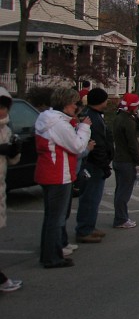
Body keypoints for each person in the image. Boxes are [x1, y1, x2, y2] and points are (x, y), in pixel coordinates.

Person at [35, 86, 93, 269]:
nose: (77, 108)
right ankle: (52, 257)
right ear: (68, 104)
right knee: (56, 218)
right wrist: (84, 128)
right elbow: (76, 146)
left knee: (51, 216)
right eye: (76, 104)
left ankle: (50, 253)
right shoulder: (59, 124)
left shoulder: (47, 118)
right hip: (58, 174)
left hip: (49, 172)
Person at [75, 87, 112, 243]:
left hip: (96, 163)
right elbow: (97, 144)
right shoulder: (92, 119)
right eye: (105, 99)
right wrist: (104, 164)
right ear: (100, 101)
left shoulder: (95, 116)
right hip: (93, 165)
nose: (107, 102)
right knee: (90, 197)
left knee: (94, 198)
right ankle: (84, 229)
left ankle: (90, 225)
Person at [0, 87, 24, 291]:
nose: (1, 111)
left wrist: (14, 150)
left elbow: (13, 160)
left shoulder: (6, 129)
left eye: (4, 107)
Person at [110, 93, 139, 229]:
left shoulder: (119, 118)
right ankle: (121, 219)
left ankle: (120, 217)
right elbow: (133, 145)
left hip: (118, 158)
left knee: (119, 190)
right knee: (124, 192)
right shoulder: (128, 122)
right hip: (127, 161)